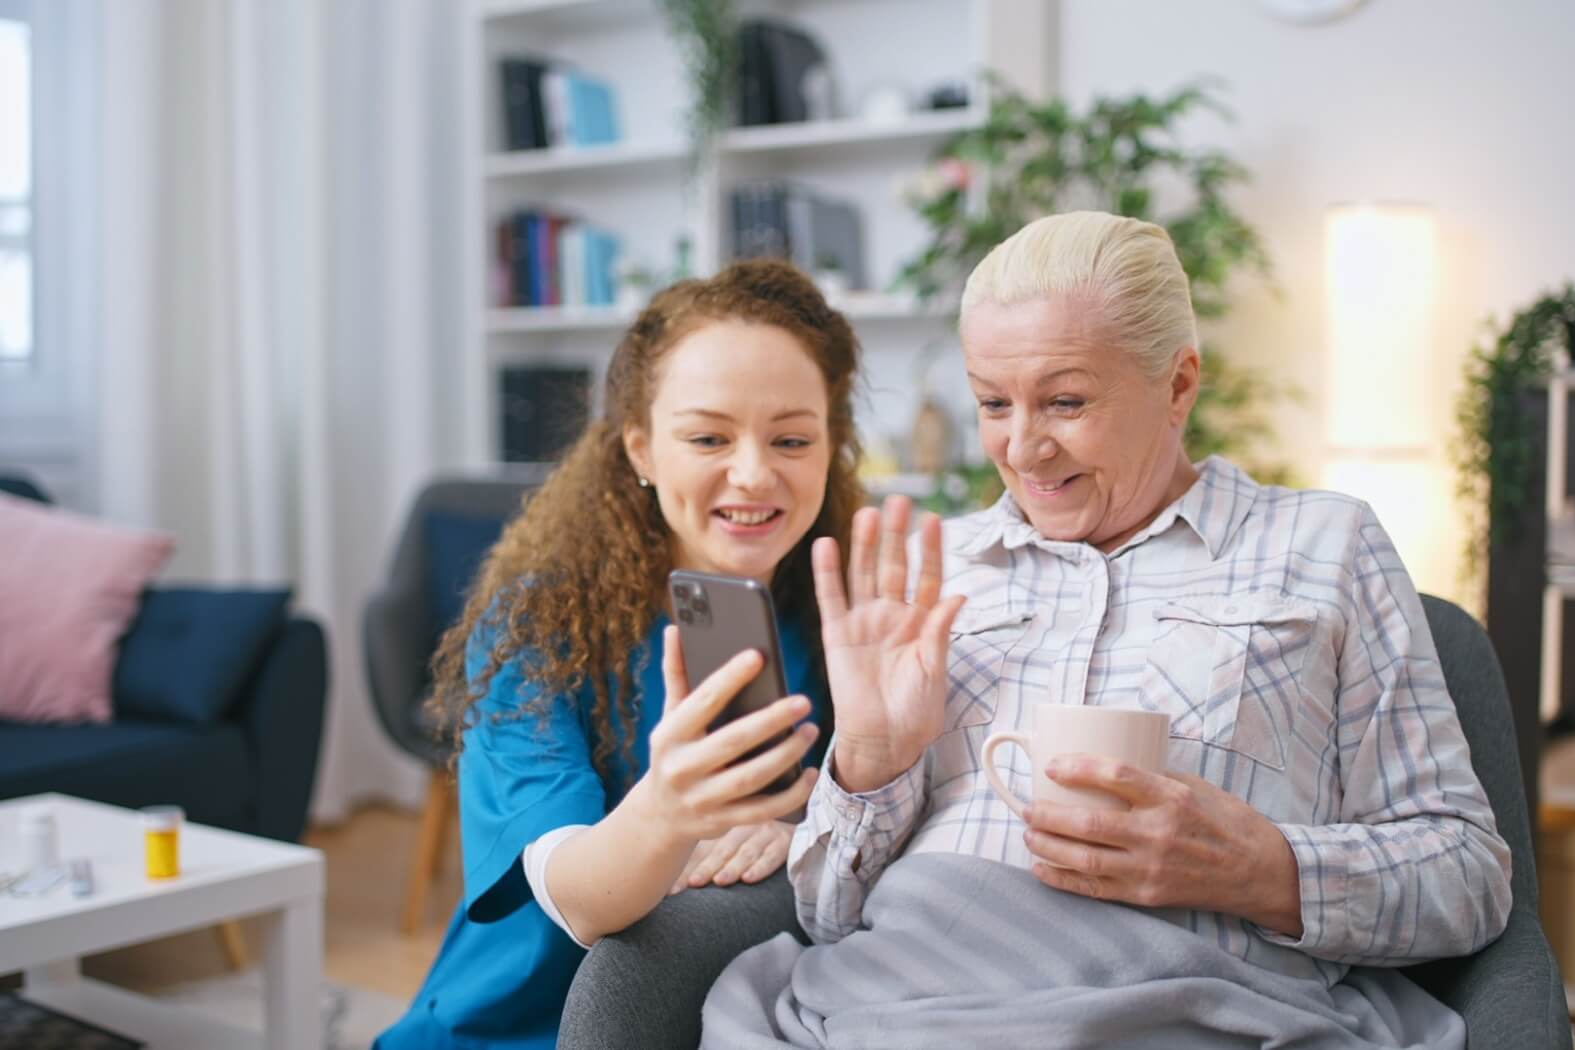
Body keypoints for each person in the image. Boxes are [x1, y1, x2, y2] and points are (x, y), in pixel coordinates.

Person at [700, 212, 1514, 1049]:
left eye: (1065, 401)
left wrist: (1267, 870)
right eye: (991, 403)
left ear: (1178, 385)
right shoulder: (932, 567)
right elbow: (827, 917)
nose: (1023, 449)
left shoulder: (1323, 546)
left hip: (1182, 1011)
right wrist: (872, 762)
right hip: (894, 1007)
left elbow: (1467, 875)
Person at [375, 259, 866, 1049]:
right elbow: (578, 898)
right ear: (640, 448)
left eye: (792, 438)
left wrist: (806, 814)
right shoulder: (536, 630)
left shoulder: (843, 615)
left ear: (831, 445)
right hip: (510, 1031)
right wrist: (669, 810)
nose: (753, 472)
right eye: (708, 436)